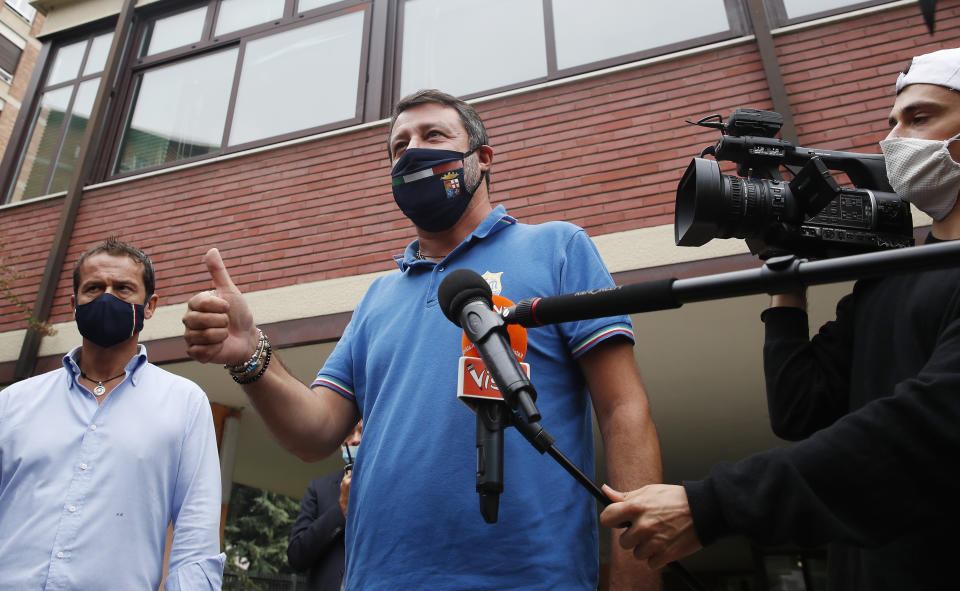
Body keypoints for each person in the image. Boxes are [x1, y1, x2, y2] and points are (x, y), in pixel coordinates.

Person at [182, 89, 663, 589]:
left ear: (483, 158)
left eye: (433, 135)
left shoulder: (558, 248)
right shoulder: (378, 297)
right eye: (399, 146)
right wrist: (250, 356)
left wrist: (637, 578)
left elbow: (623, 410)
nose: (412, 151)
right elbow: (316, 432)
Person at [600, 47, 960, 589]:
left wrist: (713, 505)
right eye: (892, 122)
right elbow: (799, 408)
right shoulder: (893, 275)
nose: (894, 139)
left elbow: (925, 427)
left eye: (921, 117)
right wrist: (783, 274)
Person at [0, 237, 225, 590]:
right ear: (74, 304)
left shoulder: (184, 404)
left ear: (149, 306)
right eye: (94, 288)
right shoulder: (13, 403)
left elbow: (196, 537)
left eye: (123, 288)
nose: (107, 296)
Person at [287, 421, 362, 591]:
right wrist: (341, 508)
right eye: (349, 433)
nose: (355, 440)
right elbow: (297, 556)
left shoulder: (391, 487)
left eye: (362, 432)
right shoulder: (319, 489)